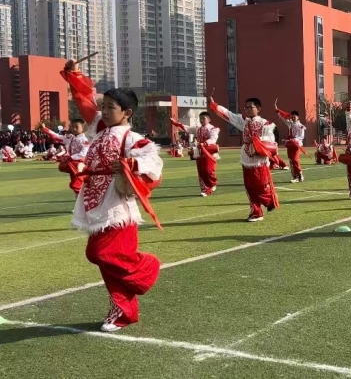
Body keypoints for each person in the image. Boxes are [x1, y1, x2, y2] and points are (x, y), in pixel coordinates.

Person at [71, 86, 163, 333]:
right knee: (99, 257)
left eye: (110, 107)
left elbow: (154, 161)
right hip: (95, 200)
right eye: (103, 106)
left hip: (117, 205)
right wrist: (74, 78)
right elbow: (85, 104)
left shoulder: (130, 137)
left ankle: (147, 268)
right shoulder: (100, 130)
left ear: (127, 112)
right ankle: (123, 311)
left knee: (103, 254)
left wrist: (131, 163)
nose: (104, 111)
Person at [210, 96, 279, 221]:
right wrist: (215, 105)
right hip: (246, 158)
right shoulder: (243, 121)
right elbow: (228, 115)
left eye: (250, 107)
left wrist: (258, 141)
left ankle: (269, 201)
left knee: (260, 186)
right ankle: (256, 212)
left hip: (259, 159)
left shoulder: (266, 124)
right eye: (245, 107)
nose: (247, 110)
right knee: (249, 187)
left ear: (258, 108)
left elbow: (271, 138)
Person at [170, 112, 220, 196]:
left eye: (203, 118)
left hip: (208, 152)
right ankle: (205, 189)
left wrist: (205, 143)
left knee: (208, 170)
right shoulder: (198, 129)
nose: (201, 120)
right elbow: (187, 128)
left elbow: (213, 139)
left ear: (209, 119)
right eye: (200, 118)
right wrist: (175, 123)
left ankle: (212, 184)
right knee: (201, 171)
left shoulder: (213, 129)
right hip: (199, 152)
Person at [42, 119, 90, 195]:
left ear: (83, 128)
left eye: (76, 127)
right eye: (72, 127)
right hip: (72, 164)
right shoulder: (70, 137)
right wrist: (45, 129)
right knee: (75, 186)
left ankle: (85, 198)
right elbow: (57, 137)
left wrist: (70, 158)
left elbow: (83, 154)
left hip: (80, 164)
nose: (74, 129)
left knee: (77, 185)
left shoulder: (85, 139)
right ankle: (81, 200)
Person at [274, 102, 306, 183]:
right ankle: (295, 176)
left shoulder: (301, 126)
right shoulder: (290, 124)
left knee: (295, 160)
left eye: (294, 117)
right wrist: (277, 111)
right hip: (289, 144)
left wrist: (294, 140)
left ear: (298, 117)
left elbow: (301, 136)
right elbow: (283, 118)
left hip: (296, 144)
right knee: (291, 160)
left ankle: (300, 174)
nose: (292, 118)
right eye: (292, 117)